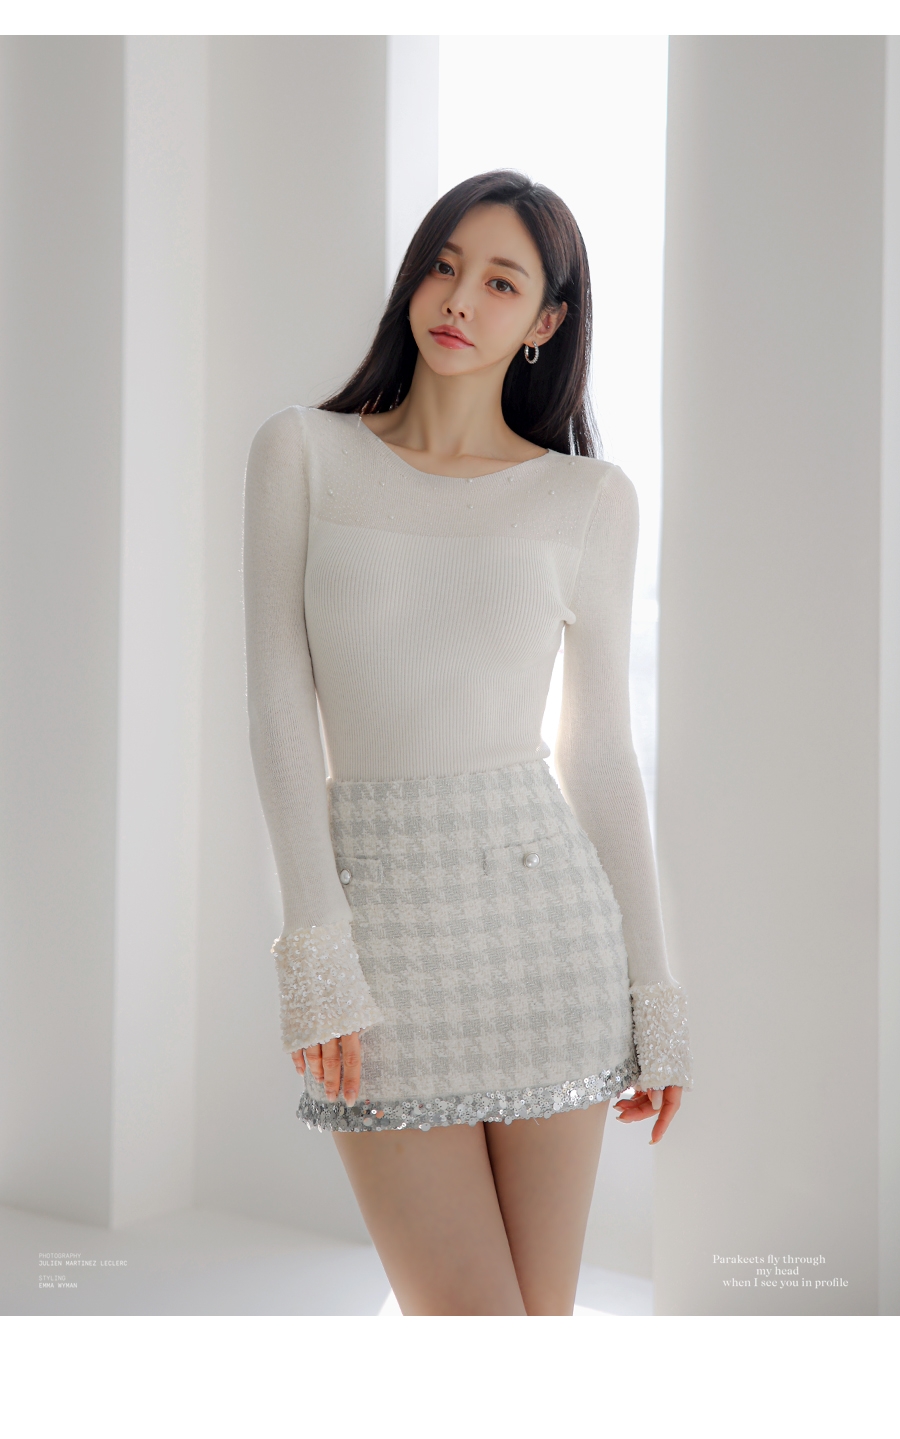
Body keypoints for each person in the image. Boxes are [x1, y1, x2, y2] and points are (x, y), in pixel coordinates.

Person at [243, 169, 692, 1316]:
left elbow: (600, 753)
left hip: (550, 943)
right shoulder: (302, 452)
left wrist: (656, 996)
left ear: (545, 321)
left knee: (535, 1334)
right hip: (380, 941)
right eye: (444, 265)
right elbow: (278, 705)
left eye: (501, 282)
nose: (458, 298)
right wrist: (314, 952)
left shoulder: (589, 499)